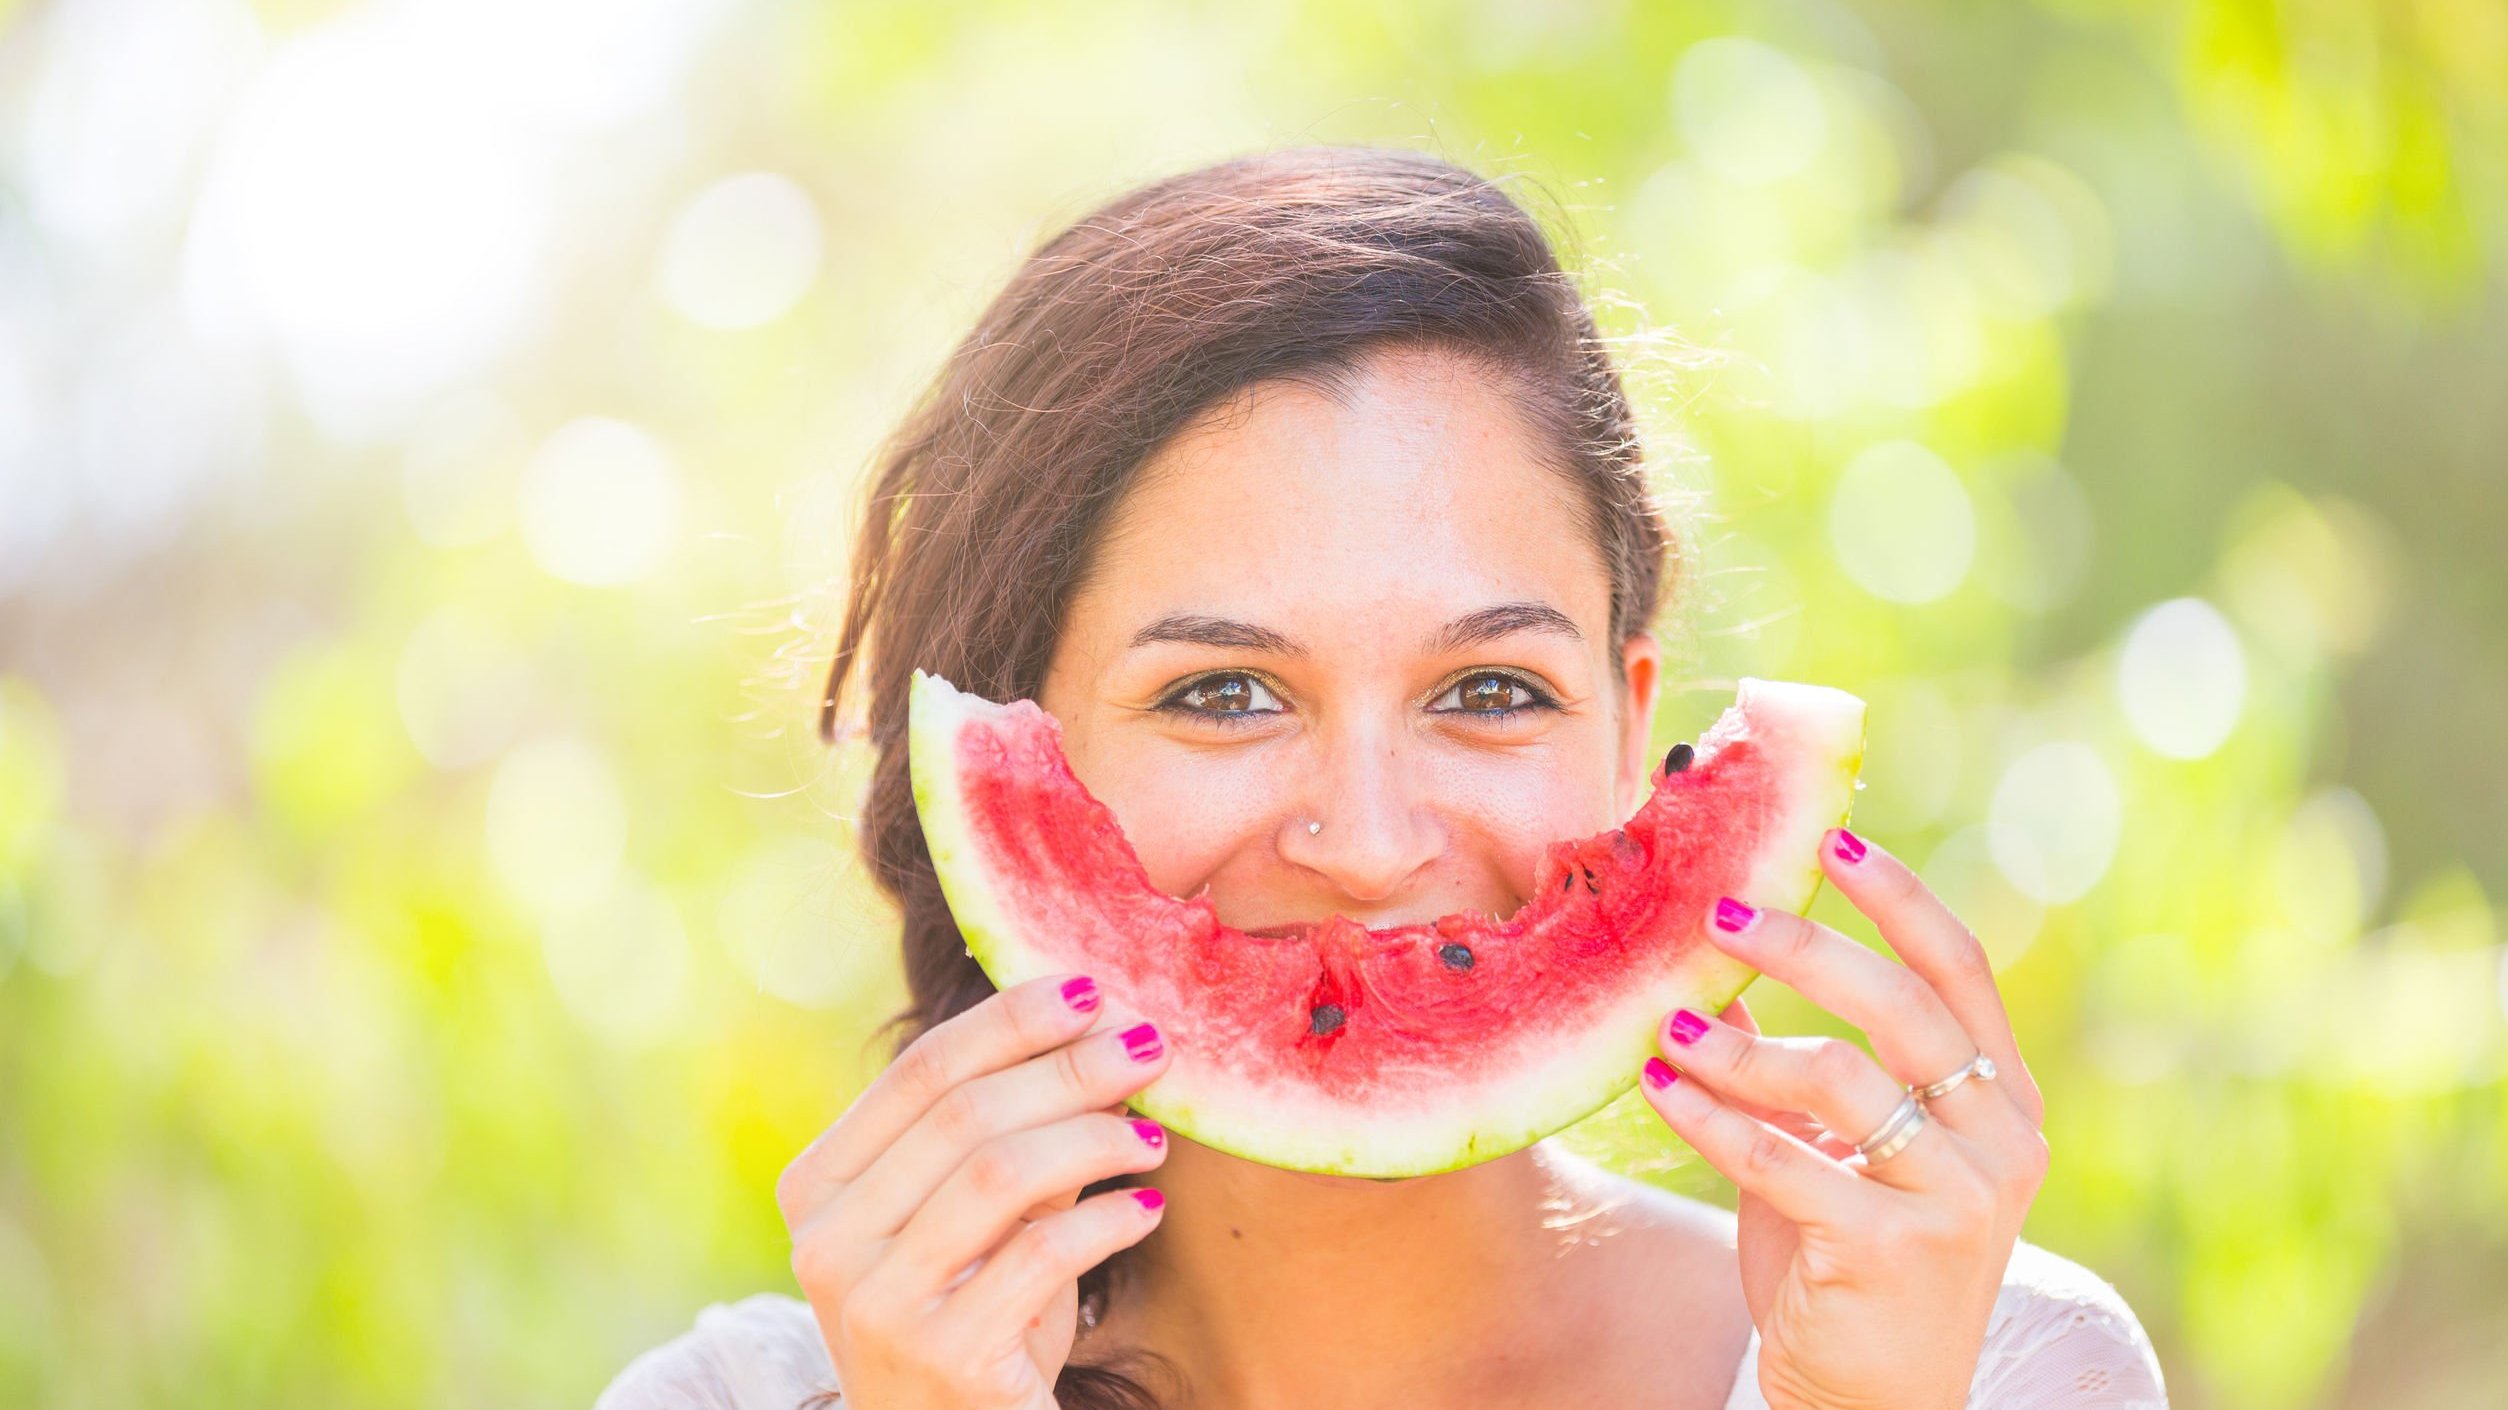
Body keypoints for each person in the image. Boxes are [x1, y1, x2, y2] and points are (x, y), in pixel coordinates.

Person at [596, 145, 2169, 1410]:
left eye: (1489, 691)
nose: (1363, 839)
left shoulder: (1990, 1368)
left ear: (1633, 737)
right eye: (1222, 693)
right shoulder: (740, 1397)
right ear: (1018, 761)